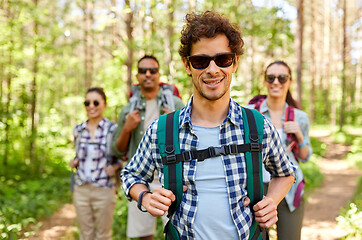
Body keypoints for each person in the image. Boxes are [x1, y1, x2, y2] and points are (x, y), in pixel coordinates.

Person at [121, 11, 296, 239]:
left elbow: (285, 173)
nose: (212, 70)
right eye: (201, 61)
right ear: (187, 65)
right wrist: (145, 197)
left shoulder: (257, 126)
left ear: (234, 63)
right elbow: (131, 175)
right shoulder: (162, 130)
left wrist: (270, 202)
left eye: (222, 59)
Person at [112, 55, 184, 240]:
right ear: (137, 76)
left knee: (178, 232)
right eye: (143, 71)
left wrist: (174, 122)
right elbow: (117, 150)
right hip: (140, 180)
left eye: (152, 70)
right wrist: (127, 128)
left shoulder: (175, 104)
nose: (148, 74)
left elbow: (190, 145)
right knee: (144, 235)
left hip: (171, 177)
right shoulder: (129, 109)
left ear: (159, 74)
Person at [246, 60, 312, 240]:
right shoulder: (250, 113)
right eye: (271, 77)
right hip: (255, 189)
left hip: (290, 188)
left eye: (282, 78)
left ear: (289, 82)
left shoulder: (300, 117)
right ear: (265, 81)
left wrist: (300, 136)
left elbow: (305, 157)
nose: (276, 82)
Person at [70, 87, 122, 240]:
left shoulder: (114, 129)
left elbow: (123, 156)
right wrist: (74, 162)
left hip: (104, 189)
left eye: (95, 102)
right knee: (85, 235)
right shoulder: (78, 129)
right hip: (81, 189)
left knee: (103, 235)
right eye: (87, 103)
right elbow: (78, 155)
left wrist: (115, 167)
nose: (91, 106)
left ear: (104, 104)